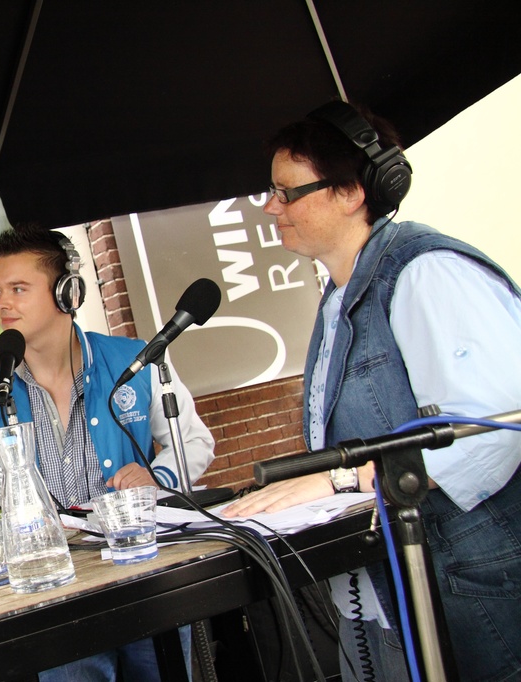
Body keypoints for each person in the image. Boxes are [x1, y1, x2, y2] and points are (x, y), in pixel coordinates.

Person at [223, 100, 521, 681]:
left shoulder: (427, 272)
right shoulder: (340, 296)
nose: (270, 206)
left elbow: (494, 426)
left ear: (352, 191)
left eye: (286, 192)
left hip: (472, 590)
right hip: (393, 591)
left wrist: (339, 479)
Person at [0, 224, 215, 681]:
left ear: (67, 293)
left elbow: (194, 442)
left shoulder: (137, 359)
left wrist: (158, 477)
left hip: (143, 568)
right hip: (53, 590)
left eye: (18, 289)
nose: (2, 304)